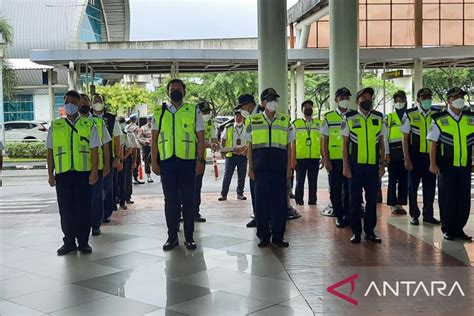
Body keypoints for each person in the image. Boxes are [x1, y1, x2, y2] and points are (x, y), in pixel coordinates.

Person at [151, 79, 205, 251]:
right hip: (167, 163)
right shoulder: (159, 112)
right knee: (170, 201)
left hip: (188, 162)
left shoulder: (193, 110)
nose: (175, 92)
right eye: (172, 89)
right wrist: (154, 161)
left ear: (184, 91)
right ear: (167, 92)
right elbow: (154, 139)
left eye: (178, 89)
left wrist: (201, 160)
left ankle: (189, 237)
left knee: (189, 201)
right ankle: (172, 237)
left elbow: (201, 138)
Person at [46, 90, 100, 255]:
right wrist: (50, 174)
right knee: (66, 210)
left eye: (73, 102)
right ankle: (69, 242)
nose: (70, 105)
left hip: (83, 174)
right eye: (67, 101)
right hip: (63, 175)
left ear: (79, 104)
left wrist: (94, 172)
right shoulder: (56, 125)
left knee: (83, 209)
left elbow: (94, 151)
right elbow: (50, 151)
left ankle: (83, 242)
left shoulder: (88, 124)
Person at [246, 87, 294, 248]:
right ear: (262, 102)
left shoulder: (285, 120)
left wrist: (290, 168)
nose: (273, 102)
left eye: (275, 99)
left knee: (279, 205)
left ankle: (278, 236)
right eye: (269, 99)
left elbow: (289, 147)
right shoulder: (253, 120)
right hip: (260, 170)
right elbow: (250, 147)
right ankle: (263, 236)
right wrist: (250, 168)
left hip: (279, 170)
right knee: (261, 205)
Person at [428, 87, 473, 241]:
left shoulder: (470, 118)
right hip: (446, 167)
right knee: (447, 199)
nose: (460, 99)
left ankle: (459, 228)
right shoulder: (439, 118)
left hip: (465, 166)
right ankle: (448, 229)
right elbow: (433, 143)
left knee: (463, 199)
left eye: (462, 96)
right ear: (449, 100)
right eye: (456, 97)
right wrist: (432, 164)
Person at [342, 87, 386, 244]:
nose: (367, 100)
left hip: (372, 167)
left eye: (369, 98)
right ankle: (356, 232)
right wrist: (346, 167)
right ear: (357, 101)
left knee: (372, 201)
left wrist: (382, 164)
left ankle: (370, 231)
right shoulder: (349, 118)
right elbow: (345, 145)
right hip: (355, 167)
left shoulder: (379, 118)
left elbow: (382, 142)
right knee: (354, 201)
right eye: (363, 98)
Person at [401, 88, 440, 226]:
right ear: (418, 99)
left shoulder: (437, 114)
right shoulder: (410, 114)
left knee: (430, 187)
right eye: (424, 97)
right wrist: (406, 158)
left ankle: (428, 215)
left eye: (429, 97)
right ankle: (414, 215)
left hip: (431, 157)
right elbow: (405, 138)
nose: (427, 100)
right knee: (412, 187)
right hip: (415, 157)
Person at [79, 94, 112, 236]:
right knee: (82, 198)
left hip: (96, 167)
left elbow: (105, 145)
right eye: (80, 102)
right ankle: (83, 224)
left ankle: (96, 225)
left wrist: (106, 165)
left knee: (97, 197)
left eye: (85, 101)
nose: (83, 104)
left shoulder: (98, 122)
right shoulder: (71, 124)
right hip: (79, 167)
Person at [321, 87, 351, 228]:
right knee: (335, 190)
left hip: (351, 159)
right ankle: (339, 215)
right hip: (334, 160)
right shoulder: (329, 117)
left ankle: (349, 215)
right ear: (336, 99)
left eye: (346, 97)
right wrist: (326, 159)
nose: (344, 100)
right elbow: (324, 140)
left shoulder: (354, 115)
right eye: (341, 97)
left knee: (351, 189)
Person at [91, 94, 123, 224]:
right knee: (95, 190)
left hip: (108, 158)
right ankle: (95, 214)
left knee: (107, 187)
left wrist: (117, 157)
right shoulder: (87, 117)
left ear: (104, 102)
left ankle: (106, 214)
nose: (97, 102)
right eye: (95, 100)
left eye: (100, 100)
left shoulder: (111, 118)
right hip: (91, 159)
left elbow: (117, 139)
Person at [233, 94, 262, 228]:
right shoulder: (250, 118)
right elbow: (251, 142)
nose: (242, 111)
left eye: (242, 107)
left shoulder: (261, 114)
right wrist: (244, 150)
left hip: (263, 159)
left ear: (248, 105)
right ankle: (257, 216)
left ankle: (263, 218)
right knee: (254, 189)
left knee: (262, 191)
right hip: (254, 159)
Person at [291, 100, 322, 206]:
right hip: (300, 158)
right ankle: (299, 201)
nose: (308, 109)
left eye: (310, 107)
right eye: (306, 107)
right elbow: (293, 143)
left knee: (313, 182)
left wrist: (323, 156)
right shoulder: (296, 124)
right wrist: (293, 158)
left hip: (314, 157)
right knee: (300, 181)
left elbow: (322, 141)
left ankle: (312, 201)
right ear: (302, 110)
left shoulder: (319, 123)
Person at [193, 101, 218, 222]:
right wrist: (209, 144)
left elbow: (213, 138)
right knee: (186, 187)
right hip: (189, 158)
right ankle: (183, 212)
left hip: (201, 159)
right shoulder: (191, 122)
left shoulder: (209, 122)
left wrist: (215, 144)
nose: (206, 114)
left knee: (197, 186)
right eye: (204, 112)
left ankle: (195, 212)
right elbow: (196, 142)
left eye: (208, 112)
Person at [385, 90, 409, 215]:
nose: (399, 103)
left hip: (406, 153)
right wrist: (386, 154)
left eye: (401, 100)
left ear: (405, 101)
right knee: (393, 180)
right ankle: (393, 204)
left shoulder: (409, 115)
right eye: (396, 101)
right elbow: (385, 137)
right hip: (393, 153)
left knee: (404, 180)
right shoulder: (389, 117)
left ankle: (401, 204)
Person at [219, 109, 248, 201]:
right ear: (234, 117)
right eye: (237, 116)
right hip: (230, 155)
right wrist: (222, 151)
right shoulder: (229, 127)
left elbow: (250, 142)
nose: (238, 118)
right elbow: (223, 140)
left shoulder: (247, 128)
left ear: (243, 118)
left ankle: (240, 193)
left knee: (242, 175)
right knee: (227, 175)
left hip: (242, 155)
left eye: (240, 116)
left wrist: (244, 150)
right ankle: (223, 194)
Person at [119, 118, 139, 210]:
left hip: (126, 160)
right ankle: (119, 198)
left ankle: (126, 197)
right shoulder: (117, 134)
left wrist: (134, 162)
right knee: (119, 181)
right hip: (118, 159)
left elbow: (133, 149)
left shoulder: (129, 135)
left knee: (126, 180)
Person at [128, 114, 145, 185]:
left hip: (128, 146)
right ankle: (135, 178)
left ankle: (131, 178)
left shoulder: (127, 127)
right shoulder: (137, 128)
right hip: (136, 147)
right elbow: (138, 138)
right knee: (136, 162)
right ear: (136, 120)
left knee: (130, 162)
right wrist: (144, 142)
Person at [138, 116, 154, 183]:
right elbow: (139, 137)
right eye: (151, 121)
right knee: (147, 161)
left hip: (154, 146)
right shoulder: (143, 128)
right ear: (148, 121)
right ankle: (148, 176)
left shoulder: (155, 126)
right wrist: (146, 141)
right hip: (146, 146)